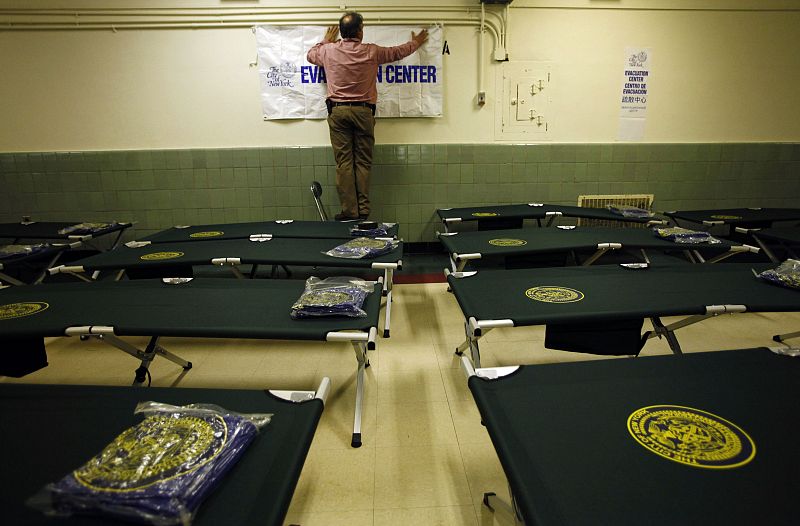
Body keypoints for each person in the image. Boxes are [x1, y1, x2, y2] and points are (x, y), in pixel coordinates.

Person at [307, 12, 428, 220]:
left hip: (338, 112)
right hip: (363, 112)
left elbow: (310, 55)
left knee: (344, 163)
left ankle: (349, 211)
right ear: (360, 31)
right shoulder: (371, 51)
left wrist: (327, 38)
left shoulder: (327, 51)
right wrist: (416, 42)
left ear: (341, 32)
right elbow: (397, 52)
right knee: (362, 162)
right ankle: (363, 210)